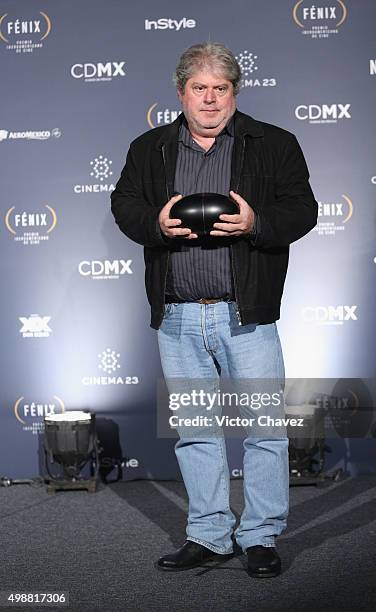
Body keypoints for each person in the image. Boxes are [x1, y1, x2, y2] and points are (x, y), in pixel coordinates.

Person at [111, 42, 318, 578]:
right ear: (181, 93)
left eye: (219, 89)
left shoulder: (274, 143)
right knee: (197, 431)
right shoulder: (150, 147)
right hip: (178, 315)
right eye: (198, 89)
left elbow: (303, 209)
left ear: (234, 92)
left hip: (245, 313)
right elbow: (123, 205)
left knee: (264, 430)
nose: (209, 99)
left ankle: (260, 536)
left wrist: (255, 225)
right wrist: (155, 224)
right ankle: (208, 534)